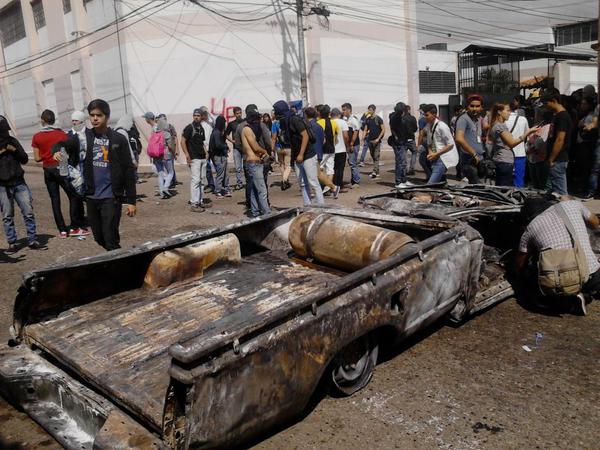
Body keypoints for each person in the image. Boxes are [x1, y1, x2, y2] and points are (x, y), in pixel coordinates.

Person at [55, 99, 137, 251]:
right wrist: (58, 151)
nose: (95, 118)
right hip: (91, 196)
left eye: (99, 115)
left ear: (106, 116)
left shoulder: (118, 139)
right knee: (99, 237)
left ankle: (118, 265)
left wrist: (131, 200)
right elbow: (63, 144)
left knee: (110, 236)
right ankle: (117, 255)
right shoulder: (84, 137)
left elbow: (128, 170)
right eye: (92, 115)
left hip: (111, 197)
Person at [515, 198, 600, 315]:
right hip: (592, 275)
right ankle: (588, 290)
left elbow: (520, 264)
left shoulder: (530, 228)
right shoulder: (573, 205)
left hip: (563, 283)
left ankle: (567, 301)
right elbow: (595, 223)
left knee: (530, 273)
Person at [32, 109, 85, 238]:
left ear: (42, 121)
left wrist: (46, 154)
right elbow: (69, 151)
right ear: (54, 120)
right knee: (73, 196)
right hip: (62, 167)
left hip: (48, 169)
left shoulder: (37, 136)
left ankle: (62, 230)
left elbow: (37, 158)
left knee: (55, 200)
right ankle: (74, 228)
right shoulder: (62, 134)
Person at [0, 115, 39, 251]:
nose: (5, 134)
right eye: (2, 131)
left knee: (28, 211)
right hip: (2, 185)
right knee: (7, 215)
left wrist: (14, 150)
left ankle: (32, 239)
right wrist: (2, 151)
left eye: (6, 131)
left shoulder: (13, 142)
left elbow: (25, 159)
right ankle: (12, 241)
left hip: (19, 182)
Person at [275, 101, 324, 206]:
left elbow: (305, 136)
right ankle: (308, 206)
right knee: (302, 183)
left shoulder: (294, 119)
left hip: (307, 155)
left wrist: (301, 154)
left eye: (276, 112)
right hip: (297, 157)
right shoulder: (286, 122)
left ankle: (321, 206)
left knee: (313, 182)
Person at [488, 103, 538, 187]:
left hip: (502, 159)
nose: (509, 113)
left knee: (502, 185)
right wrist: (527, 132)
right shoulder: (500, 126)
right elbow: (512, 143)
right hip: (504, 160)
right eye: (507, 110)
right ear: (499, 112)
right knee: (505, 187)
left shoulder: (497, 125)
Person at [241, 108, 271, 217]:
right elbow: (255, 147)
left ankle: (255, 212)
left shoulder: (249, 129)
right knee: (262, 190)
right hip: (253, 162)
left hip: (253, 162)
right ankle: (267, 213)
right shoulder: (247, 129)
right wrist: (265, 152)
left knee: (254, 190)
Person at [541, 92, 572, 195]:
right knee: (555, 193)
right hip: (556, 159)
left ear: (554, 101)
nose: (545, 107)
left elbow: (560, 140)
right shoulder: (557, 116)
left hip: (558, 159)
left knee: (561, 193)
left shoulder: (562, 116)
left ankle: (567, 210)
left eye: (546, 103)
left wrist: (551, 159)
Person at [181, 108, 209, 213]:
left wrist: (206, 153)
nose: (196, 117)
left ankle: (200, 201)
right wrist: (187, 155)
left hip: (202, 158)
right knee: (195, 181)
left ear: (201, 116)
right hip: (194, 158)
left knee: (202, 180)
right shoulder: (189, 127)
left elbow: (202, 142)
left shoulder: (201, 128)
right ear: (193, 116)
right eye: (195, 115)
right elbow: (183, 141)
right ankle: (194, 203)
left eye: (198, 115)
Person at [422, 104, 458, 184]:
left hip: (443, 158)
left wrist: (437, 154)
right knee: (440, 183)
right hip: (435, 157)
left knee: (430, 185)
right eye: (424, 115)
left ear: (434, 114)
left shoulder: (442, 126)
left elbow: (451, 144)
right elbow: (429, 142)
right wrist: (431, 152)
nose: (425, 117)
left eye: (427, 115)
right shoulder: (428, 126)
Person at [454, 94, 484, 184]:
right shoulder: (463, 119)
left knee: (479, 188)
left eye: (477, 106)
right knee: (477, 187)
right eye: (472, 106)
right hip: (469, 160)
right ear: (467, 106)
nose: (474, 109)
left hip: (479, 159)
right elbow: (459, 138)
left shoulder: (478, 119)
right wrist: (474, 154)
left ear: (481, 107)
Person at [388, 102, 415, 189]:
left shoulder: (399, 117)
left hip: (402, 142)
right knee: (400, 162)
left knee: (403, 163)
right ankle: (398, 181)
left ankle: (403, 180)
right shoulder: (395, 117)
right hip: (398, 143)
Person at [506, 98, 530, 188]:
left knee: (506, 180)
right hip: (520, 153)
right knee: (519, 179)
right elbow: (527, 134)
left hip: (506, 155)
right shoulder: (523, 119)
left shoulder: (502, 121)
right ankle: (519, 196)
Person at [210, 115, 231, 197]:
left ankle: (226, 189)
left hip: (222, 155)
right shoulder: (216, 133)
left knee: (226, 174)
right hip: (218, 156)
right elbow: (218, 145)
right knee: (220, 174)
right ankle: (218, 190)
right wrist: (225, 147)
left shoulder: (220, 132)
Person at [225, 107, 245, 190]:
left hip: (245, 147)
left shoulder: (245, 122)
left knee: (247, 166)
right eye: (237, 113)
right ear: (234, 114)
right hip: (236, 148)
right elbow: (226, 134)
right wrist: (232, 141)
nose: (239, 114)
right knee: (238, 167)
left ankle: (249, 181)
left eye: (240, 113)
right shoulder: (231, 124)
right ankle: (239, 183)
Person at [157, 113, 179, 188]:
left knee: (170, 167)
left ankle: (172, 181)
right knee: (167, 168)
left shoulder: (170, 127)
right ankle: (167, 182)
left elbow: (175, 137)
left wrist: (176, 150)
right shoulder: (157, 128)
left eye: (164, 119)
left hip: (169, 150)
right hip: (162, 151)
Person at [342, 103, 361, 187]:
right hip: (349, 145)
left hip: (353, 144)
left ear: (349, 110)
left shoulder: (354, 120)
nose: (343, 111)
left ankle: (356, 181)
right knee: (351, 162)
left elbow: (356, 132)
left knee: (353, 163)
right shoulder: (346, 119)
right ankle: (353, 180)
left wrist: (352, 144)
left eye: (344, 109)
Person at [364, 105, 385, 179]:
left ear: (374, 110)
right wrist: (363, 138)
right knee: (373, 155)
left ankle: (374, 171)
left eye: (370, 110)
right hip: (370, 140)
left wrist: (378, 139)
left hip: (377, 141)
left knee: (376, 156)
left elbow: (383, 129)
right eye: (368, 110)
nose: (369, 111)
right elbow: (366, 129)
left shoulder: (378, 119)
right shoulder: (368, 119)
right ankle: (377, 171)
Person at [330, 108, 349, 191]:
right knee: (340, 168)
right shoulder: (342, 122)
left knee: (332, 168)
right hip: (341, 149)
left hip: (331, 150)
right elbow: (346, 136)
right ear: (339, 114)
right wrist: (347, 146)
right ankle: (338, 186)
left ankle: (332, 185)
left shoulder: (329, 122)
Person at [404, 105, 419, 176]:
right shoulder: (412, 118)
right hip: (411, 138)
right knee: (414, 152)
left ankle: (405, 169)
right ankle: (411, 169)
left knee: (404, 155)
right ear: (409, 110)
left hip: (403, 139)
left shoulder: (401, 118)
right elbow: (415, 128)